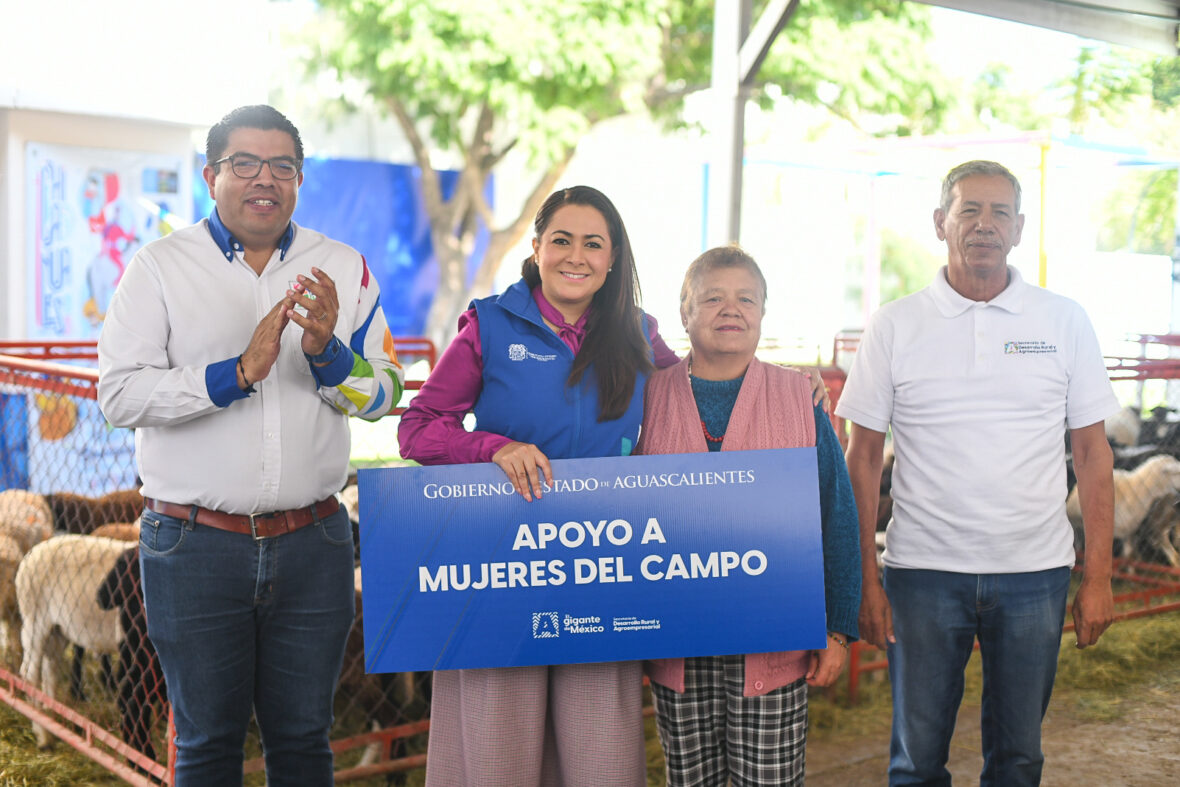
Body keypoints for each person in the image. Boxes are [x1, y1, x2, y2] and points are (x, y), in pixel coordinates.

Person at [97, 104, 404, 786]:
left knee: (303, 740)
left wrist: (327, 352)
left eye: (282, 166)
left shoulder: (344, 268)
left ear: (299, 178)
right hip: (194, 544)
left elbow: (384, 394)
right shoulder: (158, 269)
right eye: (244, 163)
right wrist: (232, 375)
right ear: (211, 175)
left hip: (314, 542)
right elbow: (118, 395)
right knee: (207, 744)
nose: (264, 179)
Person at [837, 160, 1117, 786]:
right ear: (941, 223)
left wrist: (1097, 576)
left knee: (1019, 758)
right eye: (968, 210)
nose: (983, 224)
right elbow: (861, 456)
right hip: (922, 574)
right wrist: (864, 579)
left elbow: (1095, 453)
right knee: (916, 761)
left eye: (998, 213)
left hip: (1035, 574)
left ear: (1019, 229)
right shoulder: (894, 324)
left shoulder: (1063, 320)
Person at [397, 185, 676, 786]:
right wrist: (493, 447)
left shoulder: (639, 334)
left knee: (603, 757)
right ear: (537, 247)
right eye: (563, 240)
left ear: (613, 258)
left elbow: (699, 401)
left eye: (593, 244)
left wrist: (787, 389)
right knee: (499, 757)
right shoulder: (489, 324)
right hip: (502, 566)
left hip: (601, 568)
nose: (576, 256)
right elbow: (418, 430)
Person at [637, 245, 861, 786]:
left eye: (746, 299)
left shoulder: (796, 396)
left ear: (763, 311)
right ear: (684, 312)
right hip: (680, 649)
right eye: (712, 298)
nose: (730, 309)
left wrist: (837, 628)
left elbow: (835, 511)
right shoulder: (646, 398)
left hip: (772, 645)